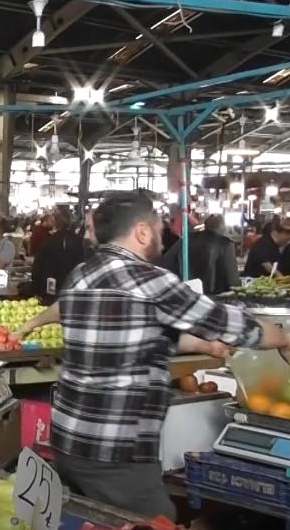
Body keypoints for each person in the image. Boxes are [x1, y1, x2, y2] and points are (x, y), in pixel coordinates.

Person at [48, 191, 290, 520]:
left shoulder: (80, 276)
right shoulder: (149, 281)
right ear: (142, 232)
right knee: (158, 521)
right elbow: (226, 323)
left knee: (95, 521)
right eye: (158, 227)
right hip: (117, 450)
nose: (163, 235)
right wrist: (282, 337)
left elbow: (130, 336)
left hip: (68, 439)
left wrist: (205, 347)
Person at [161, 214, 240, 296]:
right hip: (214, 296)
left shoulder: (187, 239)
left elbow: (166, 262)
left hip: (185, 292)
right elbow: (232, 280)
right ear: (223, 227)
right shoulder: (224, 244)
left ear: (205, 225)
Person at [31, 211, 88, 304]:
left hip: (50, 291)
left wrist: (37, 289)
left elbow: (37, 267)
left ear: (55, 224)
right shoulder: (79, 241)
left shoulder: (48, 241)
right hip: (75, 290)